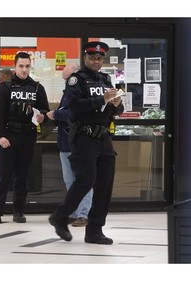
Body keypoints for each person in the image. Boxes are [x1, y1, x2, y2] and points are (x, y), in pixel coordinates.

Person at [48, 41, 124, 245]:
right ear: (85, 58)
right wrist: (101, 100)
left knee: (105, 184)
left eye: (99, 58)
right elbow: (74, 107)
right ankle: (60, 217)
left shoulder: (106, 79)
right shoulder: (77, 80)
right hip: (84, 138)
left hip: (104, 138)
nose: (96, 61)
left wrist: (116, 105)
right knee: (85, 181)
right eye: (92, 57)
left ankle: (94, 230)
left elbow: (115, 111)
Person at [0, 52, 50, 224]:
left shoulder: (37, 88)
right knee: (2, 176)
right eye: (21, 66)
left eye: (27, 66)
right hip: (8, 136)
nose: (24, 69)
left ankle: (18, 211)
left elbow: (45, 111)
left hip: (28, 137)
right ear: (15, 66)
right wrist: (0, 136)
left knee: (23, 177)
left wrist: (43, 117)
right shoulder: (6, 86)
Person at [46, 62, 93, 227]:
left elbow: (73, 113)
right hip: (65, 144)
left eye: (68, 79)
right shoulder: (67, 93)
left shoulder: (81, 93)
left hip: (79, 144)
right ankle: (73, 213)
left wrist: (55, 114)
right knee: (69, 182)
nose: (67, 82)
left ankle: (83, 214)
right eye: (65, 79)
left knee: (82, 180)